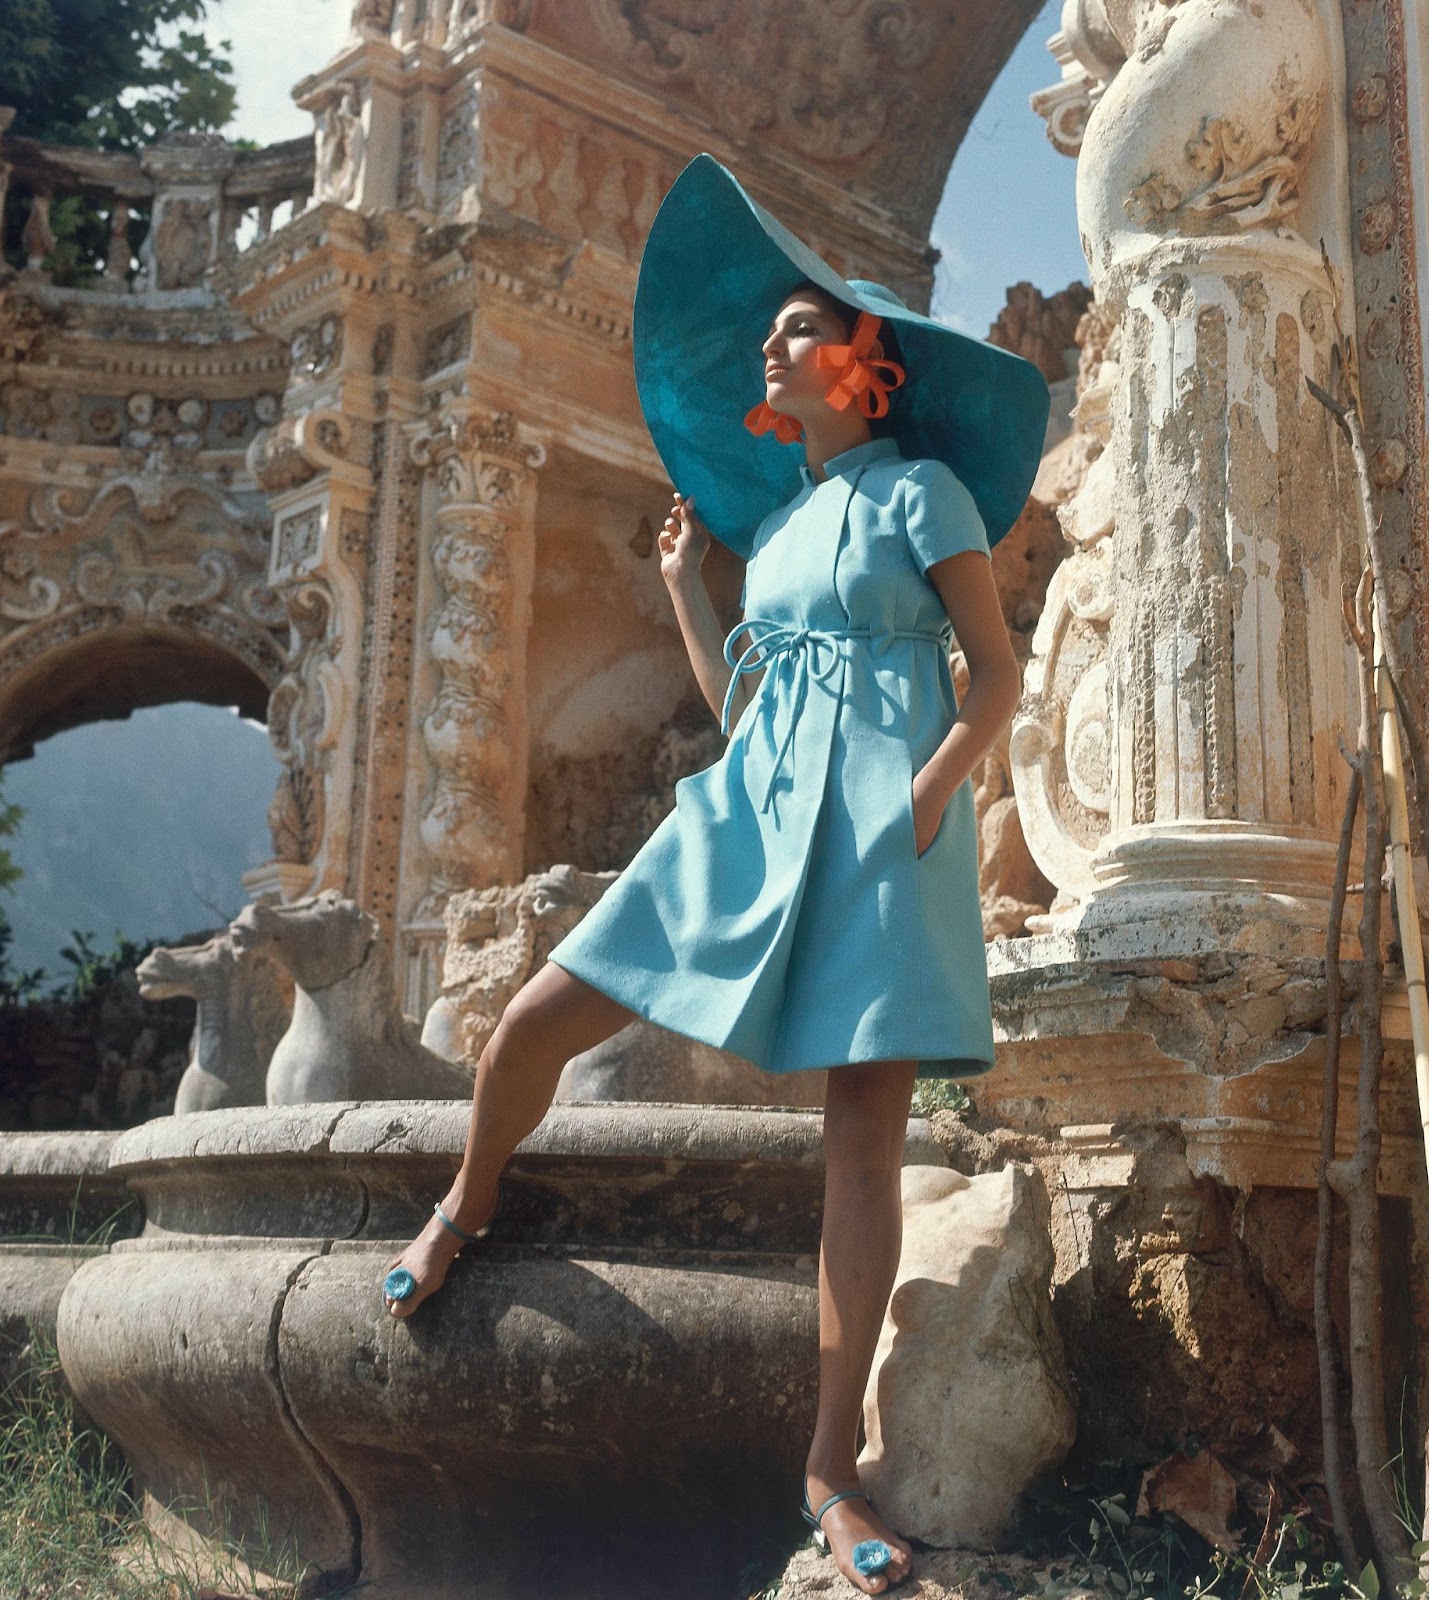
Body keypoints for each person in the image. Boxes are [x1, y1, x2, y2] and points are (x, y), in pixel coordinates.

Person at [379, 154, 1049, 1596]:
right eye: (772, 336)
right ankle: (466, 1201)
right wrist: (690, 594)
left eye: (800, 329)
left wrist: (935, 796)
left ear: (864, 366)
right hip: (749, 807)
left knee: (859, 1144)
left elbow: (994, 675)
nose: (773, 343)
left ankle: (831, 1468)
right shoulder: (783, 524)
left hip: (889, 825)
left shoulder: (922, 492)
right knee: (535, 1018)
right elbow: (751, 720)